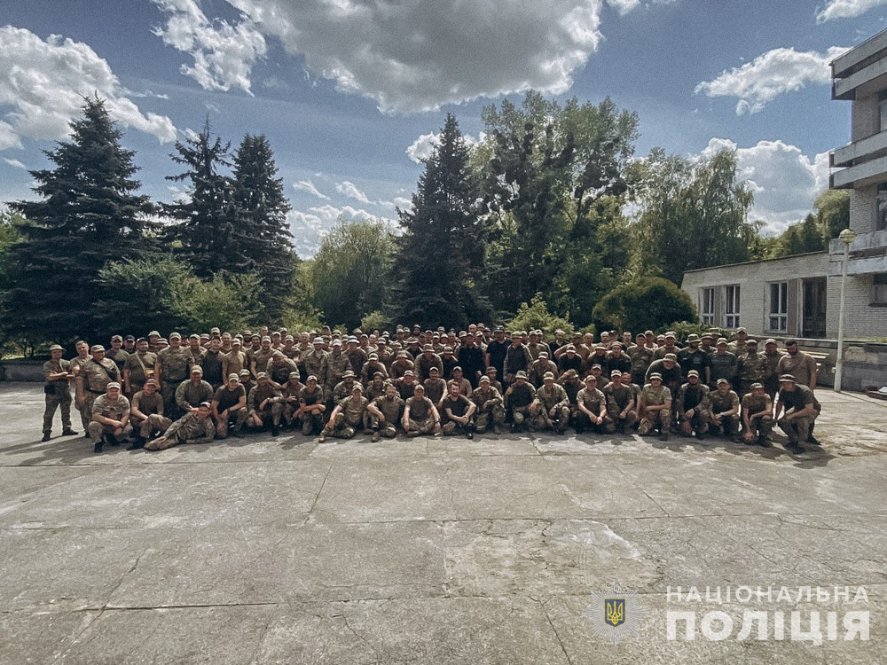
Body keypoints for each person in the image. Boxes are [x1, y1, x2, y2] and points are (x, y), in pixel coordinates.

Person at [76, 345, 122, 437]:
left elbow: (117, 376)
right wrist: (80, 396)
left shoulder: (110, 362)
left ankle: (111, 433)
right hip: (93, 394)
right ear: (92, 353)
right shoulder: (86, 365)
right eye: (98, 352)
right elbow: (80, 380)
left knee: (112, 413)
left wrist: (120, 392)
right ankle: (96, 435)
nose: (101, 353)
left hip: (109, 394)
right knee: (94, 414)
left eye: (102, 351)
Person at [774, 374, 821, 455]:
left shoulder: (805, 391)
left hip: (812, 409)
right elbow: (779, 403)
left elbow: (809, 409)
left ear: (793, 383)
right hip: (798, 407)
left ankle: (801, 444)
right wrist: (776, 417)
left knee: (802, 421)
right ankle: (794, 440)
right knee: (782, 421)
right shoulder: (783, 390)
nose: (785, 385)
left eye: (788, 383)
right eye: (783, 383)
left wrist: (792, 416)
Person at [144, 402, 216, 451]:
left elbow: (209, 438)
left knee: (153, 446)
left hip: (178, 438)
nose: (202, 413)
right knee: (153, 417)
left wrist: (189, 441)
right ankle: (144, 438)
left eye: (205, 411)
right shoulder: (191, 414)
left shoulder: (209, 424)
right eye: (201, 410)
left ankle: (152, 441)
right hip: (172, 427)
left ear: (209, 412)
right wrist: (166, 435)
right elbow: (178, 423)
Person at [42, 344, 77, 441]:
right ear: (51, 353)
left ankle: (67, 428)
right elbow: (50, 377)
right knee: (49, 413)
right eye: (54, 352)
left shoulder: (67, 363)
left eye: (59, 352)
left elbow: (73, 375)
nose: (57, 354)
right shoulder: (48, 364)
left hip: (65, 389)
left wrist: (58, 375)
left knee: (66, 411)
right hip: (52, 391)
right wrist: (63, 374)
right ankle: (47, 431)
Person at [155, 332, 193, 420]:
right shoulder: (162, 352)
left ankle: (181, 422)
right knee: (166, 403)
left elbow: (192, 366)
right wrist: (156, 382)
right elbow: (157, 368)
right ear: (169, 341)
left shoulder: (187, 351)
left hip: (181, 382)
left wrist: (191, 380)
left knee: (181, 403)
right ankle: (166, 422)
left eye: (177, 340)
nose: (175, 341)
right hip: (167, 382)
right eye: (173, 340)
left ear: (180, 340)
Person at [88, 382, 131, 453]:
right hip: (104, 424)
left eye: (116, 391)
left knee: (129, 428)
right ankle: (99, 442)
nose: (113, 393)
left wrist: (121, 426)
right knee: (93, 425)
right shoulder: (100, 400)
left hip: (118, 424)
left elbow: (126, 415)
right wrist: (112, 422)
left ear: (119, 391)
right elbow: (95, 416)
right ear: (107, 391)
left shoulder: (124, 400)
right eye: (111, 391)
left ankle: (114, 438)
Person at [129, 379, 171, 449]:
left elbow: (160, 412)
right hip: (141, 419)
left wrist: (153, 419)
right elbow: (134, 410)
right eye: (148, 386)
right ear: (144, 386)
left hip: (153, 419)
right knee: (144, 420)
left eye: (153, 387)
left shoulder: (158, 397)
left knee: (162, 420)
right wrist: (147, 418)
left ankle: (143, 439)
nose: (150, 388)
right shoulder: (138, 395)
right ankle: (143, 438)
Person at [211, 373, 248, 439]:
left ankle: (236, 430)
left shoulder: (240, 387)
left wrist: (228, 410)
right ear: (227, 381)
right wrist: (219, 421)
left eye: (235, 381)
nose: (233, 383)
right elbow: (213, 406)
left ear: (238, 381)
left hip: (232, 411)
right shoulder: (221, 390)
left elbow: (242, 403)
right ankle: (226, 427)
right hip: (221, 413)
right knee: (221, 435)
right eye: (231, 381)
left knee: (243, 410)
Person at [675, 370, 709, 439]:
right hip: (686, 413)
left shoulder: (705, 388)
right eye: (691, 378)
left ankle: (701, 430)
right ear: (688, 378)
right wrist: (683, 416)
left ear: (698, 378)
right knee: (686, 433)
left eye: (694, 378)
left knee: (704, 414)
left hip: (698, 411)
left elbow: (705, 402)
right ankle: (687, 425)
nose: (693, 379)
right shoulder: (683, 388)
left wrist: (694, 410)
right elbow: (679, 403)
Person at [638, 373, 672, 441]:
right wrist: (645, 416)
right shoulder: (646, 388)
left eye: (657, 380)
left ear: (661, 381)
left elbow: (667, 405)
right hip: (650, 414)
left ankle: (664, 432)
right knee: (642, 432)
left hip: (661, 412)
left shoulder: (666, 390)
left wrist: (652, 407)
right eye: (653, 380)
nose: (655, 381)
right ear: (650, 380)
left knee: (665, 412)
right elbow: (643, 402)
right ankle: (653, 428)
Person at [741, 382, 774, 447]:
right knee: (749, 441)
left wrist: (754, 415)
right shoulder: (747, 397)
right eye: (757, 390)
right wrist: (748, 430)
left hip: (761, 417)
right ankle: (747, 432)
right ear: (752, 391)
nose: (760, 392)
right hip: (750, 419)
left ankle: (763, 437)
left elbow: (769, 411)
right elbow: (745, 415)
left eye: (761, 390)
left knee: (767, 418)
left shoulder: (766, 396)